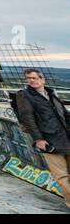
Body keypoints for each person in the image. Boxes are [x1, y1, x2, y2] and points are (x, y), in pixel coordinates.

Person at [12, 68, 70, 210]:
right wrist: (39, 139)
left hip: (66, 138)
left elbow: (65, 115)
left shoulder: (51, 95)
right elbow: (27, 118)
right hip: (49, 140)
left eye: (34, 78)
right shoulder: (24, 96)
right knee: (61, 176)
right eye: (28, 78)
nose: (32, 81)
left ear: (42, 79)